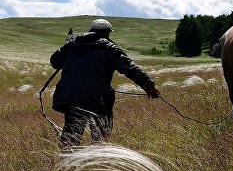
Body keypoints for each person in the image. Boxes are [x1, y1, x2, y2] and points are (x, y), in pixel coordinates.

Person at [50, 18, 159, 148]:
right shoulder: (108, 48)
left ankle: (66, 164)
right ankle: (98, 163)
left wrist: (68, 46)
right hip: (97, 99)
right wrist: (149, 86)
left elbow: (54, 61)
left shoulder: (72, 46)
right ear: (107, 32)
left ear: (92, 30)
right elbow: (130, 68)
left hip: (71, 97)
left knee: (71, 137)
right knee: (100, 137)